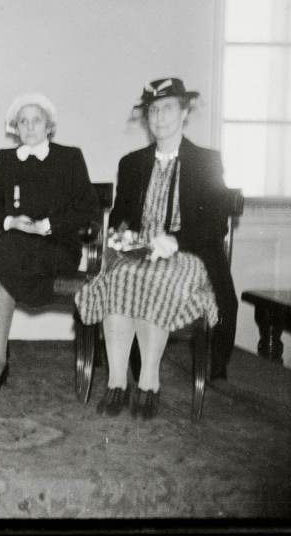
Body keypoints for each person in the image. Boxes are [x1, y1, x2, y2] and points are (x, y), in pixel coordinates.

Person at [74, 78, 230, 419]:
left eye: (168, 108)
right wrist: (121, 235)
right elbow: (120, 217)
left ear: (184, 111)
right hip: (138, 254)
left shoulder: (206, 161)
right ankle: (117, 381)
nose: (159, 117)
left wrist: (175, 240)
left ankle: (148, 382)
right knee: (117, 278)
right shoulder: (133, 163)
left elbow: (215, 223)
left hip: (185, 255)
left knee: (155, 280)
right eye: (153, 110)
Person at [0, 92, 99, 393]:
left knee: (6, 250)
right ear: (14, 127)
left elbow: (87, 211)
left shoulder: (70, 157)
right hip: (15, 248)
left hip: (56, 248)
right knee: (8, 252)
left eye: (36, 121)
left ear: (49, 126)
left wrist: (47, 225)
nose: (29, 127)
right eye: (22, 122)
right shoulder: (6, 159)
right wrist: (11, 221)